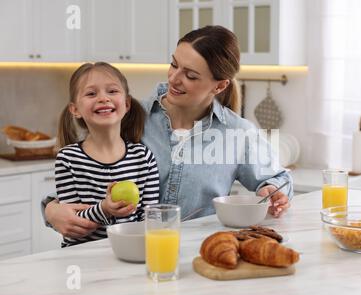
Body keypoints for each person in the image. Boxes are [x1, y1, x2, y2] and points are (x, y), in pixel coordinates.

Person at [43, 25, 293, 239]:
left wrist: (272, 191)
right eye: (174, 64)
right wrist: (50, 210)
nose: (174, 78)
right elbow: (83, 174)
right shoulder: (129, 116)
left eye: (191, 75)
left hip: (197, 256)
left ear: (219, 85)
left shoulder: (237, 133)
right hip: (126, 254)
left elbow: (278, 179)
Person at [54, 62, 159, 246]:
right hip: (82, 258)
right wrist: (105, 208)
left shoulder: (144, 157)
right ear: (75, 109)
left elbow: (151, 220)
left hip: (129, 252)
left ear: (126, 104)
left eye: (112, 91)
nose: (103, 98)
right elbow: (72, 229)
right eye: (91, 93)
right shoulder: (68, 159)